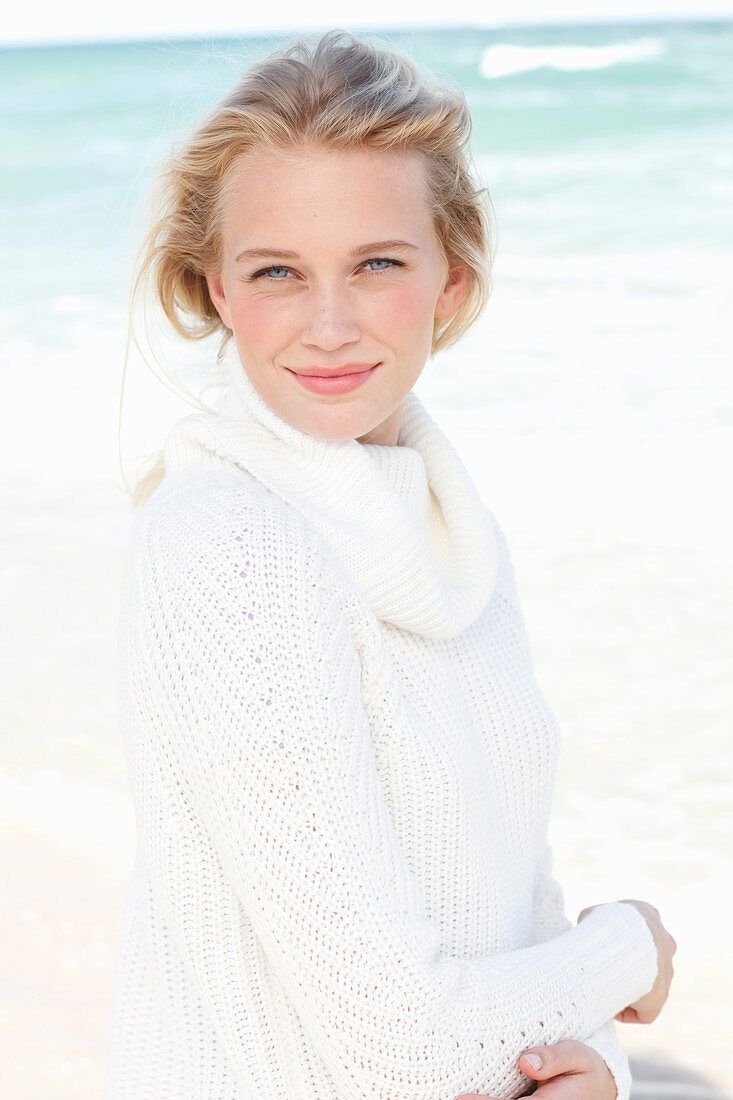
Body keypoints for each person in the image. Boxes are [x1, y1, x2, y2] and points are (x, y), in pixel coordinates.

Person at [105, 29, 676, 1100]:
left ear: (451, 278)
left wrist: (597, 1062)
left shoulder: (450, 532)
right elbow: (403, 1047)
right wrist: (631, 949)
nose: (329, 325)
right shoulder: (232, 543)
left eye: (376, 263)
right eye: (276, 271)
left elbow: (516, 908)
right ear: (217, 290)